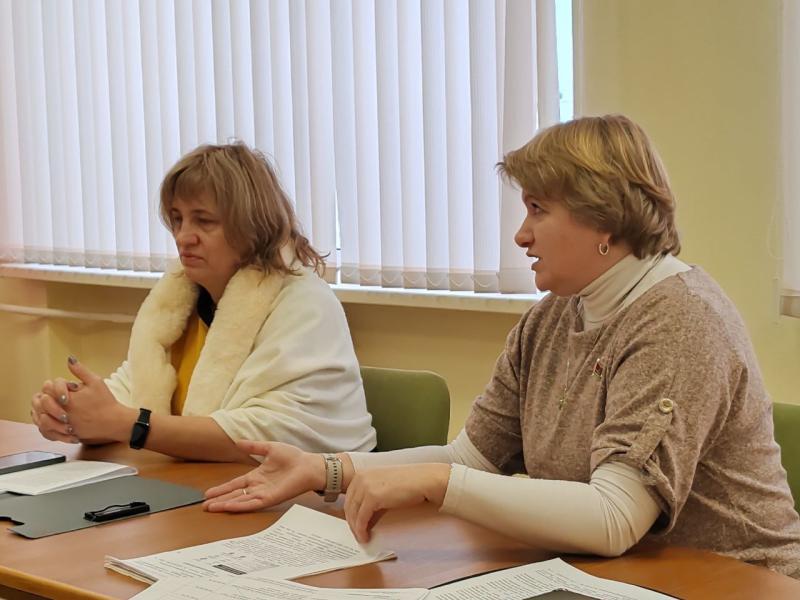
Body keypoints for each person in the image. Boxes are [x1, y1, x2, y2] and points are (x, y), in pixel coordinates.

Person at [202, 115, 800, 577]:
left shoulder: (679, 319)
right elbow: (472, 459)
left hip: (737, 582)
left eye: (538, 210)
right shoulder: (552, 317)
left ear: (605, 220)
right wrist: (326, 470)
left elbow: (615, 518)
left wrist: (438, 485)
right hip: (618, 578)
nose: (521, 234)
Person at [30, 142, 376, 462]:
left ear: (253, 227)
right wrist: (72, 411)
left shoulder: (305, 303)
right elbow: (127, 395)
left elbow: (265, 436)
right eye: (177, 219)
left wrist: (127, 424)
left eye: (204, 221)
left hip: (318, 497)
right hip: (209, 486)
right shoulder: (182, 301)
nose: (183, 237)